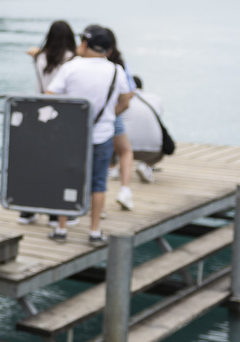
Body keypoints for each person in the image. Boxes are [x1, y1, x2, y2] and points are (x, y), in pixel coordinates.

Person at [45, 25, 129, 243]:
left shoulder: (71, 67)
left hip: (71, 135)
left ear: (85, 44)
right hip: (102, 134)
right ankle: (94, 231)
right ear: (108, 50)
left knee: (66, 179)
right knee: (98, 184)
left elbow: (50, 94)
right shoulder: (115, 70)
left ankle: (62, 229)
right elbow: (126, 99)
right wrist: (111, 113)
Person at [20, 20, 75, 224]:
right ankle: (54, 213)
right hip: (63, 117)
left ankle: (27, 209)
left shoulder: (40, 57)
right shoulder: (72, 59)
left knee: (38, 163)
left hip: (40, 113)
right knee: (59, 166)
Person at [105, 40, 138, 210]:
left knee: (96, 160)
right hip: (113, 115)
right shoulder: (119, 66)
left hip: (91, 120)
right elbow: (129, 94)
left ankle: (98, 206)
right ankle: (125, 191)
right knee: (125, 151)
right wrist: (112, 112)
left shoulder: (81, 63)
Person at [125, 75, 166, 181]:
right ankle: (146, 165)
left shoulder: (122, 99)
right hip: (153, 150)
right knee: (166, 143)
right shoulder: (154, 98)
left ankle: (113, 167)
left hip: (124, 149)